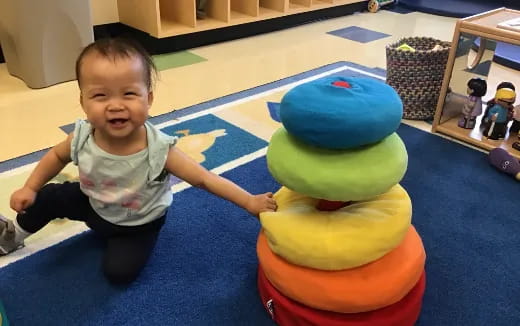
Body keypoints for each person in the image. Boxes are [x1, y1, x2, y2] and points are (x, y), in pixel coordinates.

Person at [0, 38, 277, 284]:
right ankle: (14, 236)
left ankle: (133, 242)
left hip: (136, 224)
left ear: (149, 99)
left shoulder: (158, 150)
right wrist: (30, 187)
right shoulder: (82, 136)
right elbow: (56, 156)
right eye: (100, 95)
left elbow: (205, 179)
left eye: (129, 93)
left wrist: (249, 202)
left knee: (118, 273)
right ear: (83, 102)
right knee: (47, 197)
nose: (116, 105)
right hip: (92, 202)